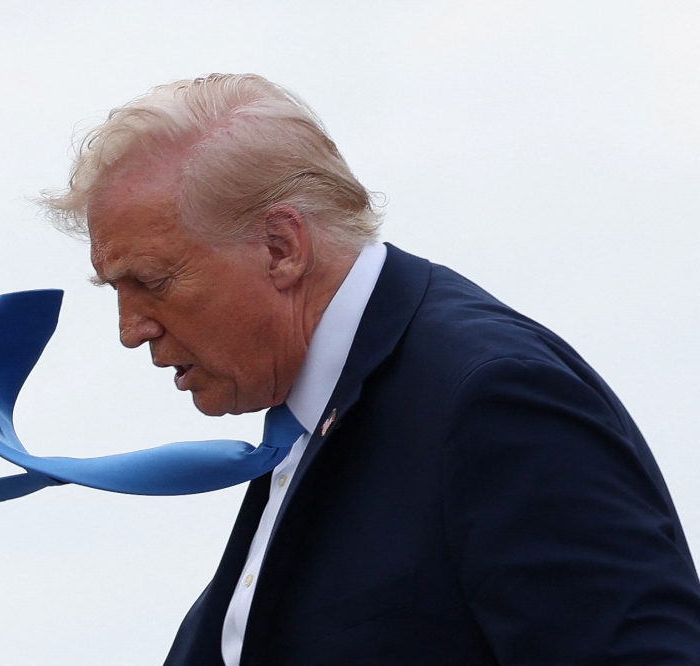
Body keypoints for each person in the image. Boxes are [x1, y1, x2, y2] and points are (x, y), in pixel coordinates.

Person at [40, 74, 700, 664]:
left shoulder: (488, 397)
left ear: (281, 247)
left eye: (151, 281)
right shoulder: (312, 418)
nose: (131, 331)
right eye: (116, 292)